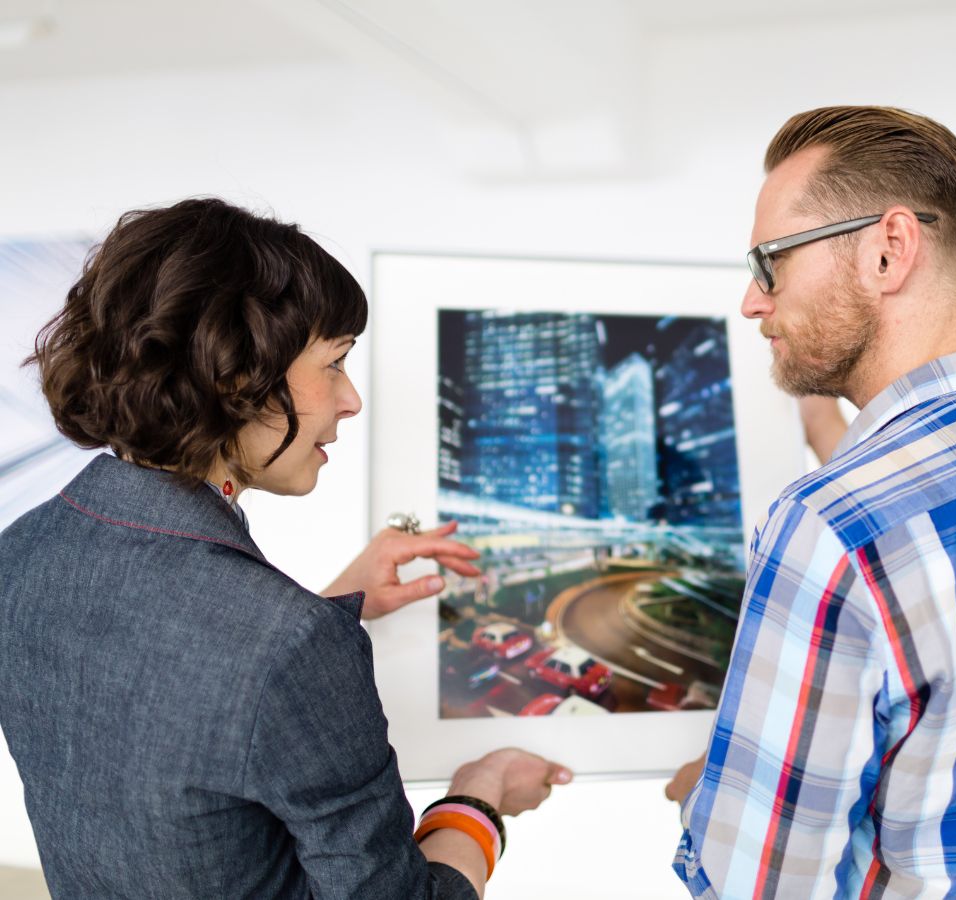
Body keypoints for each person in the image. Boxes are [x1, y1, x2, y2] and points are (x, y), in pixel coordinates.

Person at [0, 198, 571, 899]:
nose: (351, 398)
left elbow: (160, 713)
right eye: (333, 364)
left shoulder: (23, 553)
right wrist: (477, 800)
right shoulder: (287, 643)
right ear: (234, 374)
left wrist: (330, 605)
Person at [669, 107, 956, 897]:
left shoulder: (827, 528)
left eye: (770, 262)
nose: (754, 303)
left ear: (890, 251)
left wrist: (711, 802)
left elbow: (756, 886)